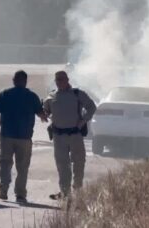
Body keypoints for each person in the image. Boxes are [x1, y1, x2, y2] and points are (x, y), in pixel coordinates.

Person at [0, 70, 47, 203]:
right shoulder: (32, 96)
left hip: (6, 136)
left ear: (13, 80)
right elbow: (42, 115)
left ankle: (4, 189)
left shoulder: (4, 94)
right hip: (24, 137)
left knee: (5, 163)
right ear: (25, 81)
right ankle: (20, 194)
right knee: (22, 167)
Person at [43, 71, 96, 200]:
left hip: (75, 134)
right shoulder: (51, 96)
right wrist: (44, 115)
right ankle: (65, 192)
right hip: (59, 136)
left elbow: (91, 107)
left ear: (67, 80)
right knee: (62, 165)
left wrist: (83, 121)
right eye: (57, 80)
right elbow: (45, 110)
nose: (60, 82)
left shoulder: (77, 94)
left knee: (78, 163)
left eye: (62, 79)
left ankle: (77, 190)